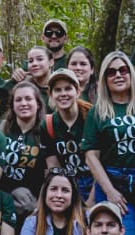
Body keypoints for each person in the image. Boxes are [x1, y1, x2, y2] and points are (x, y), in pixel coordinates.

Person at [84, 51, 135, 235]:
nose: (118, 75)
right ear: (104, 79)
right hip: (115, 183)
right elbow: (91, 155)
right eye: (111, 72)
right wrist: (110, 191)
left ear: (131, 74)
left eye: (123, 70)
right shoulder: (98, 111)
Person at [40, 69, 95, 200]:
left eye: (68, 89)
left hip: (97, 182)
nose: (63, 94)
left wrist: (91, 201)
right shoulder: (48, 124)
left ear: (78, 91)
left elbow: (103, 164)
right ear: (51, 94)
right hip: (69, 186)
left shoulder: (92, 117)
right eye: (58, 90)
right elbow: (54, 170)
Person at [0, 80, 47, 213]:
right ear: (12, 105)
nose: (24, 103)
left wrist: (40, 205)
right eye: (18, 100)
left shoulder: (47, 131)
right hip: (2, 203)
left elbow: (51, 172)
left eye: (28, 99)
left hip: (33, 206)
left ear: (38, 104)